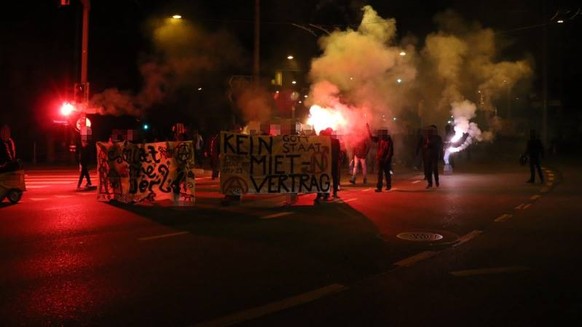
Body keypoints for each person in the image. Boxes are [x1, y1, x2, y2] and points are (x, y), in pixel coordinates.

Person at [314, 128, 340, 203]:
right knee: (327, 177)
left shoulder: (332, 141)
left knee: (327, 177)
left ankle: (326, 193)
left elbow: (338, 152)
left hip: (330, 162)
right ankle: (327, 193)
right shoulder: (328, 141)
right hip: (327, 162)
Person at [366, 123, 394, 192]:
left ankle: (388, 186)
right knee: (380, 174)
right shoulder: (380, 138)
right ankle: (379, 187)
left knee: (387, 173)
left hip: (386, 160)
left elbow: (390, 151)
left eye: (382, 132)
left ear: (385, 133)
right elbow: (372, 138)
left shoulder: (389, 140)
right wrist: (368, 130)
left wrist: (386, 159)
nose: (381, 133)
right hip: (380, 159)